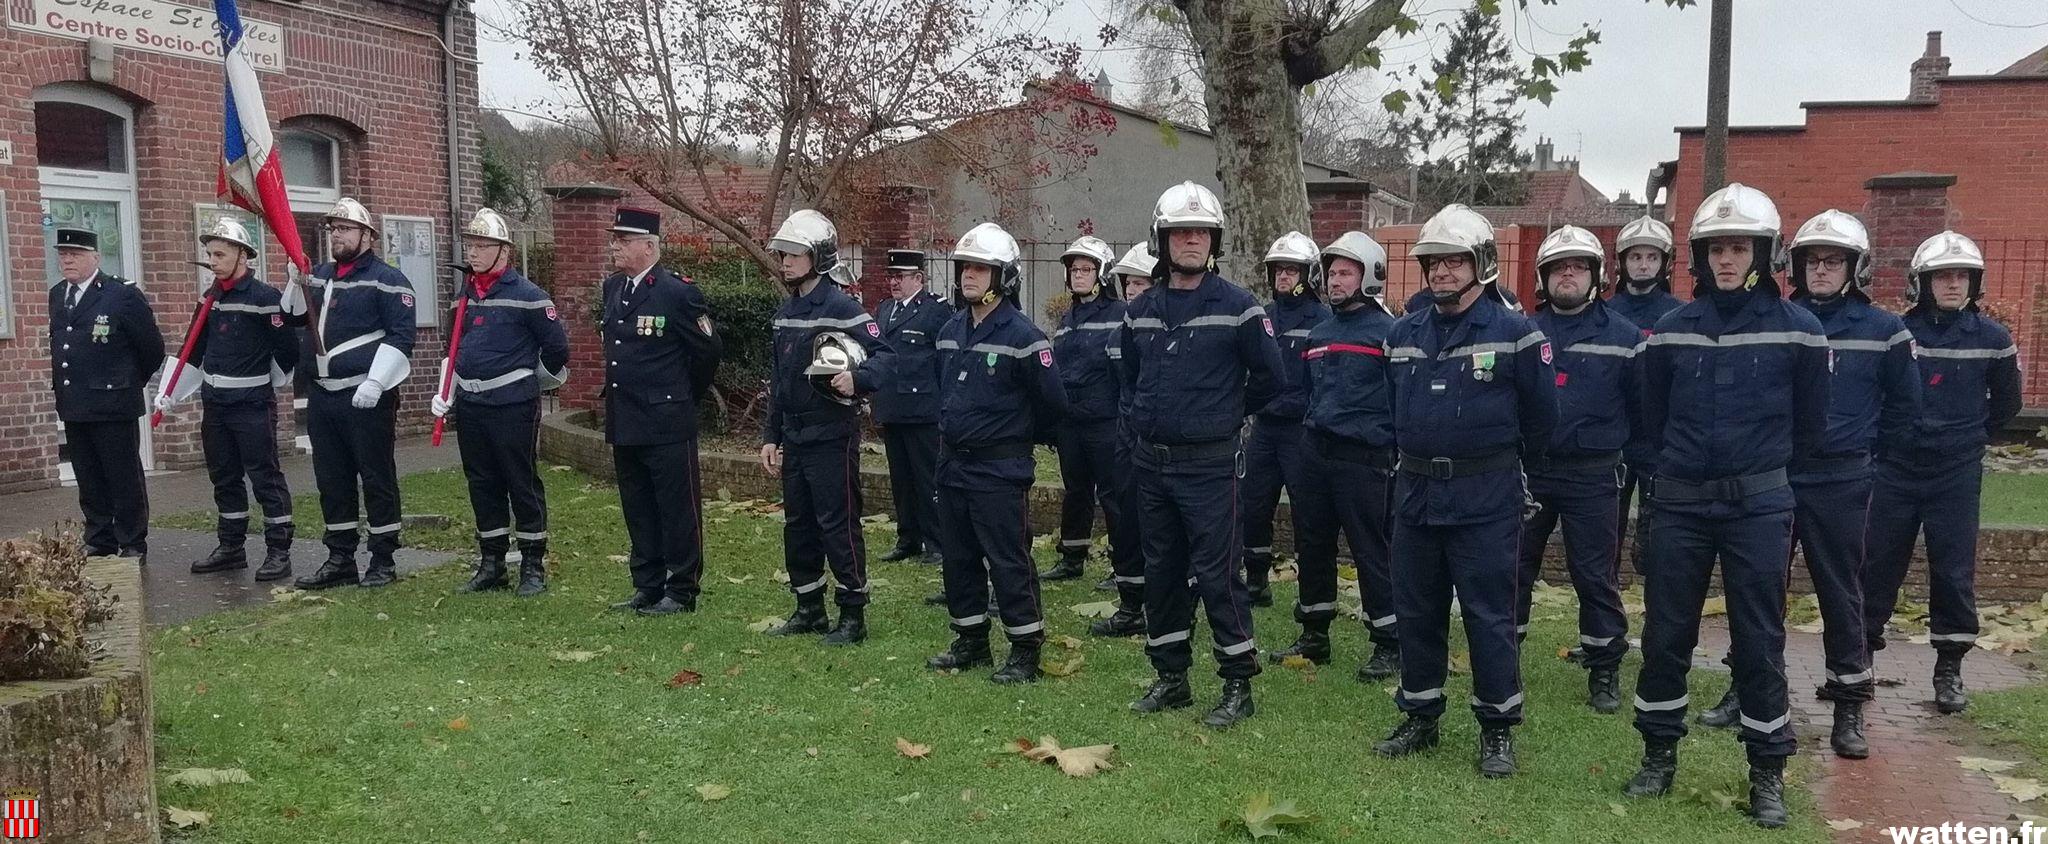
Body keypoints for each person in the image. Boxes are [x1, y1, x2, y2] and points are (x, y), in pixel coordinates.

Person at [1624, 184, 1829, 829]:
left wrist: (1766, 481)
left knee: (1759, 639)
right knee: (1665, 634)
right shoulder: (1670, 330)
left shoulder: (1800, 329)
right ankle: (1659, 755)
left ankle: (1767, 770)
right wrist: (1659, 497)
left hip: (1759, 507)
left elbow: (1813, 427)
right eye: (1716, 248)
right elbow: (1646, 422)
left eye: (1739, 247)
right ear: (1699, 256)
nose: (1727, 260)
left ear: (1764, 253)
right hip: (1681, 504)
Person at [1697, 209, 1915, 758]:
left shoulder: (1886, 331)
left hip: (1840, 480)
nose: (1821, 270)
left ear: (1855, 268)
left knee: (1841, 593)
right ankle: (1744, 688)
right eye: (1812, 261)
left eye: (1833, 261)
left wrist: (1864, 458)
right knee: (1756, 593)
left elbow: (1904, 413)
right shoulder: (1777, 321)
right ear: (1792, 264)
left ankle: (1848, 705)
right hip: (1775, 476)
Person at [1373, 205, 1556, 779]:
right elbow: (1389, 409)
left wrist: (1513, 477)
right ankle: (1420, 714)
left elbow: (1543, 419)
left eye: (1454, 260)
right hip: (1417, 493)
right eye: (1433, 262)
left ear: (1481, 264)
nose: (1443, 271)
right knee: (1417, 610)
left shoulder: (1517, 334)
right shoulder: (1402, 333)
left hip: (1486, 496)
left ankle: (1497, 728)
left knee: (1488, 615)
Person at [1120, 181, 1283, 729]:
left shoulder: (1240, 308)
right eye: (1180, 232)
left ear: (1214, 241)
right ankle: (1171, 677)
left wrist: (1224, 414)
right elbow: (1130, 380)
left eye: (1201, 232)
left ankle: (1238, 682)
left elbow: (1270, 379)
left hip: (1211, 466)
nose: (1191, 240)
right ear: (1161, 240)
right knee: (1161, 572)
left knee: (1218, 575)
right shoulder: (1139, 310)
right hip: (1151, 464)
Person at [1863, 229, 2021, 716]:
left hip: (1955, 472)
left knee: (1953, 572)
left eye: (1961, 276)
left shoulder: (1994, 339)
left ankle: (1948, 668)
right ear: (1921, 282)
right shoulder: (1897, 333)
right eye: (1942, 276)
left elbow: (2007, 406)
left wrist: (1966, 437)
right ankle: (1859, 656)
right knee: (1876, 564)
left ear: (1975, 282)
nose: (1952, 284)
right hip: (1895, 467)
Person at [924, 223, 1068, 683]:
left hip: (1000, 469)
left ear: (1003, 276)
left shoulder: (1024, 337)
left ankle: (1025, 648)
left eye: (980, 268)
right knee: (959, 557)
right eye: (965, 266)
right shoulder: (949, 331)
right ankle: (971, 641)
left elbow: (1053, 404)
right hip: (953, 464)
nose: (969, 275)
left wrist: (1014, 438)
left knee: (1008, 559)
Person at [1510, 225, 1639, 715]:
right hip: (1532, 470)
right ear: (1543, 277)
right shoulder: (1522, 332)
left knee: (1594, 574)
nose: (1569, 274)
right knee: (1516, 567)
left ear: (1597, 275)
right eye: (1559, 267)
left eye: (1578, 266)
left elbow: (1642, 411)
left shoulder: (1626, 337)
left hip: (1595, 475)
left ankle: (1604, 668)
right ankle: (1506, 657)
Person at [759, 210, 893, 644]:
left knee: (838, 523)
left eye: (795, 254)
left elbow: (886, 357)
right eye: (783, 254)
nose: (785, 262)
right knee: (798, 524)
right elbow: (779, 381)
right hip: (794, 436)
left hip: (832, 434)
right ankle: (808, 606)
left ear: (818, 256)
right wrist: (770, 436)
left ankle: (852, 613)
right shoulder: (785, 313)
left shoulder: (843, 307)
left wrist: (858, 379)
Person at [431, 209, 573, 599]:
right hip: (472, 405)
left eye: (482, 245)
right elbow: (454, 348)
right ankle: (492, 561)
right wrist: (446, 390)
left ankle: (532, 564)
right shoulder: (463, 296)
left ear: (504, 251)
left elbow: (557, 349)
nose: (473, 253)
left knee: (520, 482)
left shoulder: (529, 296)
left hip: (513, 405)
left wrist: (528, 382)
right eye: (471, 245)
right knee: (482, 483)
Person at [1278, 230, 1400, 681]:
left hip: (1364, 457)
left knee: (1371, 550)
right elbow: (1310, 391)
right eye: (1331, 273)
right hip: (1315, 451)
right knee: (1312, 544)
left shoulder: (1389, 332)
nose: (1335, 281)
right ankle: (1314, 633)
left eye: (1346, 273)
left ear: (1370, 276)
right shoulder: (1321, 331)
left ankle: (1389, 641)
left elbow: (1401, 397)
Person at [282, 198, 416, 589]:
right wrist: (294, 282)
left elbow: (401, 336)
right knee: (332, 478)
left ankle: (383, 557)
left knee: (376, 476)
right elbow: (291, 317)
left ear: (366, 235)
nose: (337, 235)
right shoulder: (319, 276)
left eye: (345, 228)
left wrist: (376, 382)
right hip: (324, 397)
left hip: (366, 397)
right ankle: (340, 556)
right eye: (333, 229)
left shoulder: (388, 280)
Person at [157, 219, 297, 579]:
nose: (213, 261)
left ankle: (279, 550)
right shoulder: (210, 299)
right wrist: (169, 391)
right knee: (224, 476)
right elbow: (193, 350)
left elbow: (287, 351)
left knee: (264, 476)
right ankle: (231, 546)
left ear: (242, 255)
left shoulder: (266, 299)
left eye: (220, 254)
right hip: (215, 404)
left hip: (251, 404)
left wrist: (265, 382)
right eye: (209, 254)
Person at [599, 208, 721, 613]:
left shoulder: (677, 292)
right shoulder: (614, 289)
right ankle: (647, 584)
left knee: (677, 508)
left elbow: (706, 351)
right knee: (638, 506)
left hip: (667, 420)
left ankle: (682, 588)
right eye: (615, 239)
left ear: (649, 246)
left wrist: (682, 395)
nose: (615, 245)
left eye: (624, 240)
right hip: (627, 418)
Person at [50, 228, 164, 563]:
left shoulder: (120, 295)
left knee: (123, 476)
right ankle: (100, 539)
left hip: (114, 404)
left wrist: (125, 381)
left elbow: (151, 349)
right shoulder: (58, 294)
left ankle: (132, 541)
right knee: (88, 477)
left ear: (95, 258)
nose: (68, 260)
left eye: (76, 254)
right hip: (75, 405)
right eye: (63, 254)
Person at [1241, 232, 1331, 607]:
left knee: (1307, 512)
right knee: (1252, 504)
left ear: (1308, 275)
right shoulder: (1263, 315)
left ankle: (1309, 591)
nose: (1282, 277)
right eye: (1278, 270)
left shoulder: (1322, 320)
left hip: (1301, 431)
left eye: (1291, 270)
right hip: (1264, 428)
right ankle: (1257, 581)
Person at [1606, 216, 1684, 583]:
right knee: (1607, 529)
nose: (1642, 264)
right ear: (1621, 262)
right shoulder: (1606, 312)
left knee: (1655, 535)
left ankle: (1656, 593)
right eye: (1635, 256)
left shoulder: (1677, 314)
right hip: (1616, 434)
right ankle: (1608, 592)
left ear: (1665, 263)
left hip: (1659, 437)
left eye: (1651, 257)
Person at [1044, 236, 1125, 584]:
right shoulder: (1067, 318)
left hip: (1105, 422)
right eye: (1074, 269)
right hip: (1070, 423)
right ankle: (1072, 557)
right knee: (1075, 491)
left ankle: (1123, 563)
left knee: (1113, 494)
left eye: (1086, 269)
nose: (1078, 275)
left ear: (1102, 273)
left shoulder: (1120, 316)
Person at [1091, 244, 1157, 637]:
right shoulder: (1121, 330)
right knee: (1125, 520)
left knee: (1160, 528)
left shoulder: (1169, 326)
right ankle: (1130, 604)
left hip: (1159, 440)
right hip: (1125, 434)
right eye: (1129, 283)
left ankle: (1164, 605)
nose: (1133, 290)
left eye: (1142, 282)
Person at [873, 249, 949, 569]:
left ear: (918, 278)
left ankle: (936, 542)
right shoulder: (884, 310)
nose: (894, 282)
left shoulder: (934, 312)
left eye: (900, 277)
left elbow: (945, 359)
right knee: (900, 479)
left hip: (922, 410)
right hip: (892, 407)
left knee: (926, 478)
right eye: (891, 276)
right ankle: (908, 538)